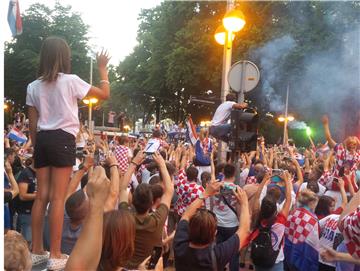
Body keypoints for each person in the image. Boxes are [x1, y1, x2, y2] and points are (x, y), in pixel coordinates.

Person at [27, 36, 110, 269]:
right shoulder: (71, 81)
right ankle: (55, 254)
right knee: (57, 199)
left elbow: (33, 126)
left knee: (41, 196)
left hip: (42, 139)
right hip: (63, 138)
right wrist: (103, 70)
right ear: (64, 58)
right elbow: (104, 94)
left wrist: (37, 149)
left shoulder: (32, 86)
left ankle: (36, 250)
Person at [173, 180, 250, 271]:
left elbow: (186, 215)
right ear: (214, 234)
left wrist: (205, 194)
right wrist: (244, 204)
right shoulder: (217, 255)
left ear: (190, 229)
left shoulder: (180, 244)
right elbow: (244, 231)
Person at [119, 151, 174, 269]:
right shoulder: (156, 220)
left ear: (132, 200)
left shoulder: (124, 215)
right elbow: (169, 191)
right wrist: (162, 164)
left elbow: (123, 188)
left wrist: (134, 162)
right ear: (151, 202)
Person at [284, 189, 320, 271]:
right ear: (311, 203)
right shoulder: (312, 220)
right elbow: (313, 243)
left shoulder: (292, 213)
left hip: (288, 251)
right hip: (302, 256)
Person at [14, 157, 37, 243]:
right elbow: (22, 196)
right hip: (26, 212)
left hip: (38, 212)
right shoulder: (26, 173)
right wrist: (39, 196)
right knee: (26, 241)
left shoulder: (42, 173)